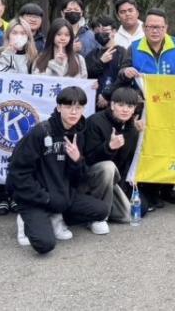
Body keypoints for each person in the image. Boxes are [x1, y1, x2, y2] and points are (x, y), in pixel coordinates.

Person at [6, 87, 110, 253]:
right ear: (59, 107)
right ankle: (25, 219)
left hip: (61, 197)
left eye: (78, 107)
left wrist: (77, 160)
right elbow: (17, 172)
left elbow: (77, 178)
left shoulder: (79, 133)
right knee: (45, 244)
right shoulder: (41, 131)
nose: (74, 112)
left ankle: (57, 216)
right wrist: (45, 198)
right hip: (37, 198)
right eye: (69, 107)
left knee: (101, 210)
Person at [120, 8, 175, 206]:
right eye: (150, 27)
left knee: (171, 147)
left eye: (159, 27)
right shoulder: (134, 47)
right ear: (145, 27)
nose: (155, 31)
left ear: (166, 27)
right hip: (145, 108)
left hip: (172, 107)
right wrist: (127, 71)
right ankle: (149, 191)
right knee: (148, 148)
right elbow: (121, 73)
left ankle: (167, 189)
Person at [0, 18, 39, 214]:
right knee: (0, 150)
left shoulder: (33, 56)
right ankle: (2, 197)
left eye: (22, 33)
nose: (18, 37)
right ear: (7, 35)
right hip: (2, 109)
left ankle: (18, 195)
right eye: (14, 33)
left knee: (21, 154)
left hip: (25, 111)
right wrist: (6, 55)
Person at [83, 87, 142, 221]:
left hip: (115, 181)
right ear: (112, 105)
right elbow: (88, 158)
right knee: (108, 166)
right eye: (121, 105)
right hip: (92, 177)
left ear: (134, 109)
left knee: (132, 214)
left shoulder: (132, 130)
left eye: (130, 106)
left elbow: (127, 164)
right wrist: (109, 147)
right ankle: (98, 217)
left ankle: (104, 210)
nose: (125, 109)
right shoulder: (95, 121)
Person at [85, 15, 127, 107]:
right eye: (97, 31)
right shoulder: (92, 54)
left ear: (114, 31)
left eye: (104, 30)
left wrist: (107, 95)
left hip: (117, 103)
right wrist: (101, 62)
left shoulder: (123, 53)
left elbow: (124, 78)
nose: (100, 33)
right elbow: (86, 74)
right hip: (93, 104)